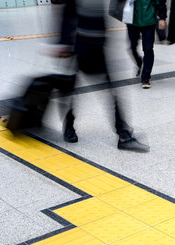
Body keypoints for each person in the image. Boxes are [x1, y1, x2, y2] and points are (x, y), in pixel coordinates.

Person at [59, 0, 149, 152]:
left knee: (111, 92)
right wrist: (65, 44)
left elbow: (101, 19)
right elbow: (67, 17)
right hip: (80, 48)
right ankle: (69, 126)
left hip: (98, 48)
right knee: (73, 92)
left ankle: (123, 135)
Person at [127, 0, 167, 89]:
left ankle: (146, 77)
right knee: (132, 47)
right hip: (132, 21)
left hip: (149, 21)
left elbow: (161, 2)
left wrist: (162, 18)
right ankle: (139, 62)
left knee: (148, 49)